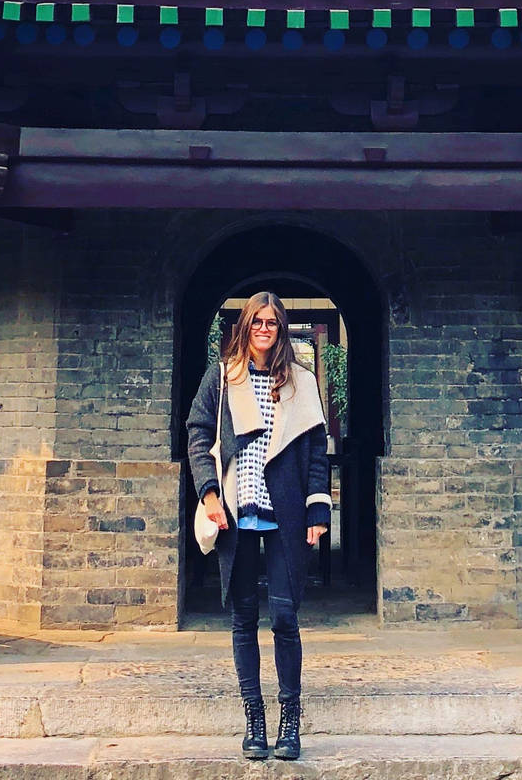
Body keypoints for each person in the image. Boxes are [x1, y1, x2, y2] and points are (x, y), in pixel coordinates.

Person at [186, 292, 331, 761]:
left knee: (286, 619)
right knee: (243, 618)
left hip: (285, 511)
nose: (264, 329)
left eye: (272, 323)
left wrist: (317, 511)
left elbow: (315, 453)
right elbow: (198, 430)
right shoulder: (224, 379)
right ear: (245, 327)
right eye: (257, 322)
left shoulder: (301, 383)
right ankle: (255, 718)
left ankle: (291, 719)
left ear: (281, 328)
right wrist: (209, 492)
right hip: (236, 508)